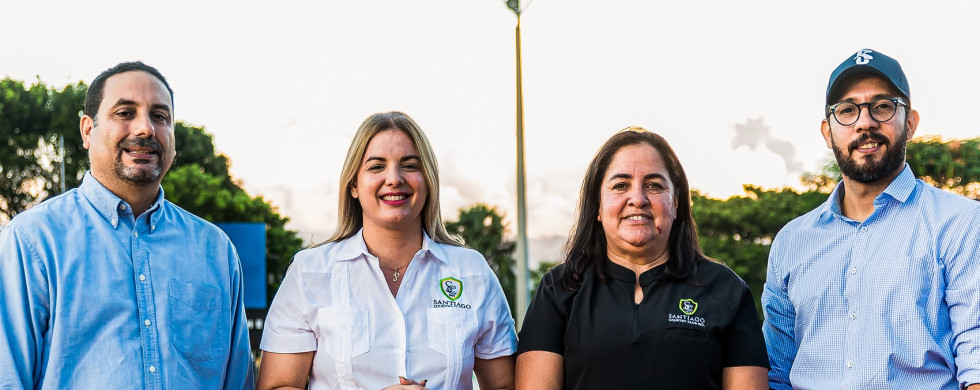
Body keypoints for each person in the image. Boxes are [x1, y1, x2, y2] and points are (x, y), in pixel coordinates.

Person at [0, 62, 254, 388]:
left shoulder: (215, 251)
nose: (145, 129)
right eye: (125, 113)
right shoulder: (31, 242)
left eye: (160, 116)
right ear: (88, 130)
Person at [762, 49, 980, 389]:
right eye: (847, 110)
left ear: (910, 124)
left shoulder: (962, 223)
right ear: (827, 132)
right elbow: (776, 371)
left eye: (882, 106)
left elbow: (976, 360)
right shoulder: (792, 241)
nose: (865, 122)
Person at [256, 111, 517, 390]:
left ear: (428, 181)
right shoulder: (309, 272)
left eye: (409, 165)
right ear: (354, 185)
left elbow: (505, 386)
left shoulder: (472, 272)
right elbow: (276, 386)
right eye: (376, 166)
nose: (394, 178)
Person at [516, 127, 769, 389]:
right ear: (599, 206)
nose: (638, 199)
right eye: (620, 185)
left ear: (676, 203)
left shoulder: (725, 290)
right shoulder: (558, 289)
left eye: (654, 185)